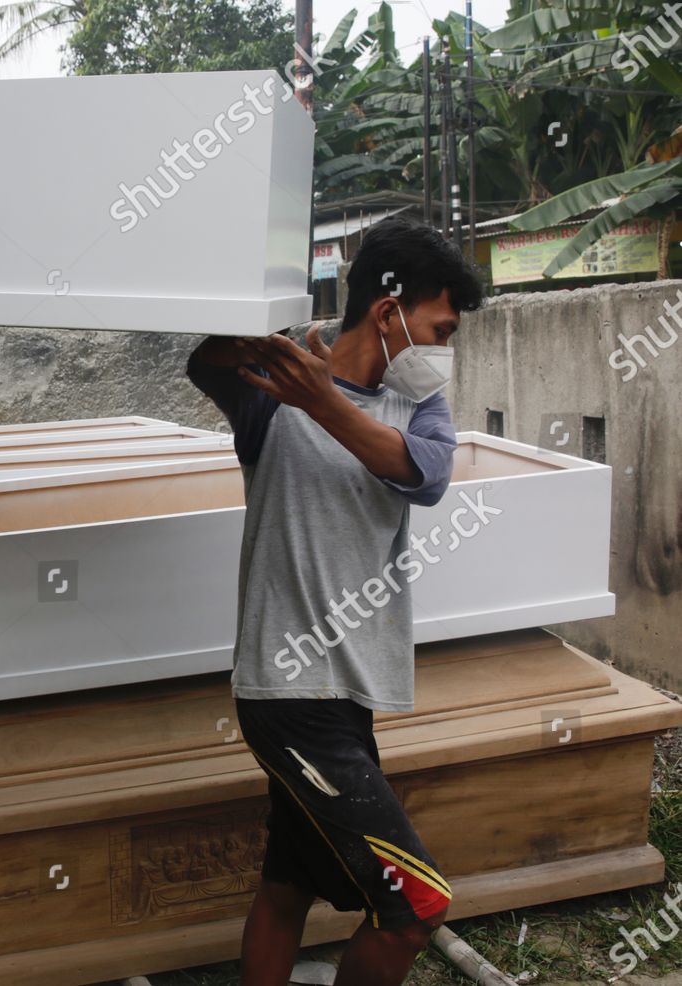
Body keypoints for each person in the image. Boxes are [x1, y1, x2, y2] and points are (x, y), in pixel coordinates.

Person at [185, 217, 484, 986]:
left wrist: (325, 399)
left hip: (346, 691)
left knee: (288, 886)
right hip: (288, 690)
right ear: (388, 313)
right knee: (415, 908)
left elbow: (425, 475)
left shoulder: (419, 407)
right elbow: (205, 360)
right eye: (438, 327)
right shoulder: (271, 393)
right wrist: (282, 336)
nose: (443, 348)